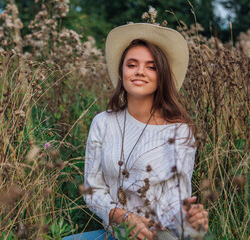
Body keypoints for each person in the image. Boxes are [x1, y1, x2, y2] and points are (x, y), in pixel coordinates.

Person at [64, 23, 208, 240]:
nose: (140, 71)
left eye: (151, 67)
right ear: (122, 71)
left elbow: (175, 201)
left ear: (162, 76)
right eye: (132, 64)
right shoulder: (103, 123)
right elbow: (92, 190)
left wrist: (189, 219)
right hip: (113, 233)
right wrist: (123, 216)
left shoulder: (180, 131)